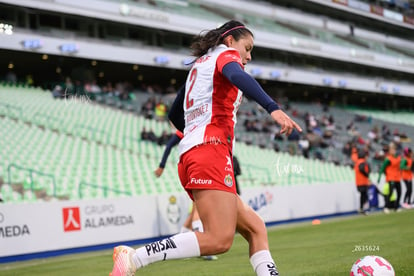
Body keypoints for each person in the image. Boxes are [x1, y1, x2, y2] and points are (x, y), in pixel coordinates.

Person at [110, 20, 301, 276]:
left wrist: (195, 131)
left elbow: (175, 113)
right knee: (219, 240)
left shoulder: (200, 66)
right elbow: (237, 75)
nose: (249, 55)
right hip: (209, 151)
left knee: (255, 227)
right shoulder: (226, 56)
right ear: (231, 41)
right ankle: (134, 257)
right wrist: (272, 108)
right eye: (248, 47)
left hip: (194, 151)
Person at [377, 142, 402, 213]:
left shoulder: (398, 158)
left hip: (397, 177)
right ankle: (386, 207)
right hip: (391, 178)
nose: (393, 151)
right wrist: (379, 177)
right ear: (389, 151)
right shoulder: (388, 159)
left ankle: (396, 207)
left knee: (399, 192)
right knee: (390, 193)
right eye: (391, 149)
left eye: (394, 149)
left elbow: (400, 167)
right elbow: (382, 168)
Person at [354, 149, 371, 214]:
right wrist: (366, 174)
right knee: (364, 195)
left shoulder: (358, 162)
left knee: (363, 195)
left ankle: (362, 208)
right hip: (362, 181)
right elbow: (362, 169)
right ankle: (362, 208)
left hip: (359, 181)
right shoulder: (362, 162)